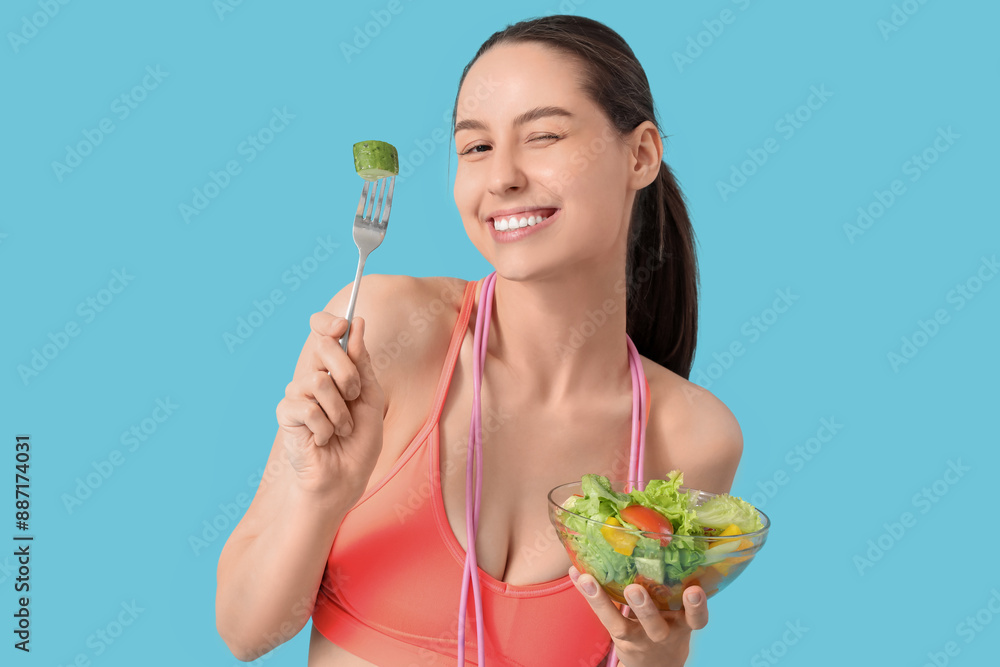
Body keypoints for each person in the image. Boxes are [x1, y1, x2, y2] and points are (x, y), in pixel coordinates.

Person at [216, 14, 744, 667]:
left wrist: (649, 653)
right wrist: (317, 494)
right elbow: (246, 631)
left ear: (639, 155)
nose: (503, 178)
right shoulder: (383, 331)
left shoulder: (693, 436)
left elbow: (651, 649)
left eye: (543, 135)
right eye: (475, 148)